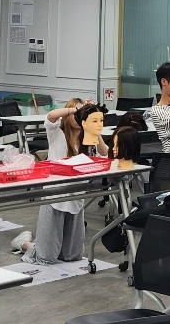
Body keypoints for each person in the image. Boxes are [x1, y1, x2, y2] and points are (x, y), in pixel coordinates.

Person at [12, 102, 106, 263]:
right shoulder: (57, 133)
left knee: (72, 255)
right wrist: (75, 110)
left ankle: (47, 244)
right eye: (75, 115)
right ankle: (23, 243)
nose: (78, 118)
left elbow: (105, 153)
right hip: (55, 195)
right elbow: (51, 116)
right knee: (46, 256)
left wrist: (95, 129)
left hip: (76, 196)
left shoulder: (87, 139)